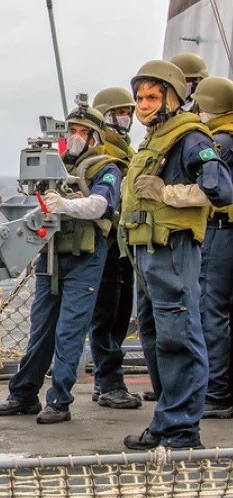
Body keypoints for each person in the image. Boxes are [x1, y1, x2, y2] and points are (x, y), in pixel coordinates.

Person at [120, 60, 233, 450]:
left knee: (180, 337)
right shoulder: (156, 138)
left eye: (152, 97)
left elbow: (221, 188)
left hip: (173, 250)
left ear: (173, 97)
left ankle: (182, 430)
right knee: (159, 338)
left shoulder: (190, 137)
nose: (143, 105)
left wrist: (167, 193)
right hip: (148, 253)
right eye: (139, 98)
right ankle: (167, 421)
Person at [0, 104, 122, 424]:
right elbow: (33, 204)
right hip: (51, 255)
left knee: (69, 331)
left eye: (83, 132)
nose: (76, 137)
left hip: (85, 256)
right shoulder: (54, 165)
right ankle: (23, 393)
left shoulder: (106, 168)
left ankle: (59, 400)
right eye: (72, 131)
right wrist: (4, 208)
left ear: (95, 137)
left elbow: (101, 204)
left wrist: (65, 204)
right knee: (41, 329)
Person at [86, 87, 141, 409]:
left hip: (124, 243)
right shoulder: (102, 154)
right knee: (106, 315)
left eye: (128, 112)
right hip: (106, 243)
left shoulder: (126, 151)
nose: (126, 118)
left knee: (120, 312)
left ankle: (106, 379)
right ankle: (108, 383)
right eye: (119, 112)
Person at [191, 76, 233, 419]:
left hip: (221, 231)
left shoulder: (219, 142)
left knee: (211, 310)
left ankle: (215, 392)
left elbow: (206, 185)